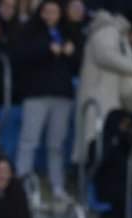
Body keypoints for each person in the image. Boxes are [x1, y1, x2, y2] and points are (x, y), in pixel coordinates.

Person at [12, 0, 80, 203]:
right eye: (46, 11)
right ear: (40, 13)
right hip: (36, 94)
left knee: (56, 144)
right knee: (29, 141)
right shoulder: (30, 33)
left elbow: (77, 64)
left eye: (55, 11)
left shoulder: (68, 33)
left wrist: (71, 52)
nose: (51, 15)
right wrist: (46, 49)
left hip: (62, 94)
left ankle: (57, 186)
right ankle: (21, 182)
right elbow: (21, 56)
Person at [76, 6, 132, 165]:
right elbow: (104, 55)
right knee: (94, 140)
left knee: (102, 142)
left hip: (109, 96)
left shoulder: (116, 34)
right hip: (99, 95)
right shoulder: (108, 32)